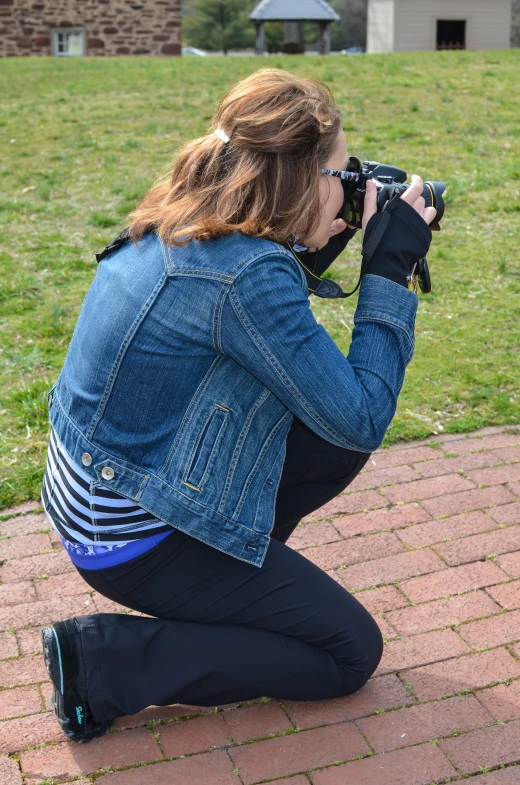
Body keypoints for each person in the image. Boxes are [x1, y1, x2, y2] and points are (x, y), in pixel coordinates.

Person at [40, 68, 436, 744]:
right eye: (341, 175)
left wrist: (325, 240)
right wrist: (387, 270)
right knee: (348, 651)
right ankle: (101, 662)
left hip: (97, 490)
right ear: (300, 177)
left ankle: (238, 595)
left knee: (331, 434)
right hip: (132, 535)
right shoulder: (247, 271)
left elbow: (284, 359)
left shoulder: (188, 217)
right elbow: (364, 411)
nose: (348, 188)